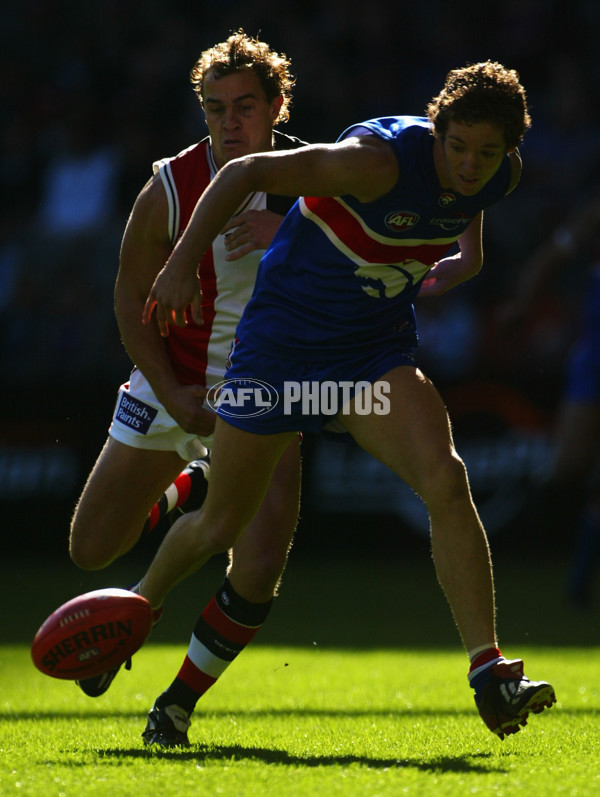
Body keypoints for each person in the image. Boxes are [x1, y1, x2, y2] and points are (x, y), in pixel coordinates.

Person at [139, 61, 556, 746]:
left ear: (509, 149)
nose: (470, 165)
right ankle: (140, 605)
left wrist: (457, 265)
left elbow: (465, 235)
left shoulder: (497, 173)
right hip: (279, 353)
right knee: (220, 528)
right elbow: (244, 174)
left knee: (447, 480)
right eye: (457, 148)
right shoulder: (375, 162)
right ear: (436, 129)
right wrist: (181, 263)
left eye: (487, 153)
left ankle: (490, 672)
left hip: (370, 353)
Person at [68, 31, 303, 697]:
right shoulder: (171, 185)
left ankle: (173, 705)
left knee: (257, 564)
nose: (230, 121)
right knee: (91, 547)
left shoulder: (316, 181)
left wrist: (287, 233)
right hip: (173, 382)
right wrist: (171, 391)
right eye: (216, 107)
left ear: (279, 105)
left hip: (264, 395)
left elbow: (367, 267)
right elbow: (127, 296)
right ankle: (196, 480)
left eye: (246, 106)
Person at [506, 192, 600, 605]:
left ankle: (578, 583)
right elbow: (551, 258)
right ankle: (521, 537)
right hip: (595, 357)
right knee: (570, 466)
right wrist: (523, 305)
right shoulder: (595, 215)